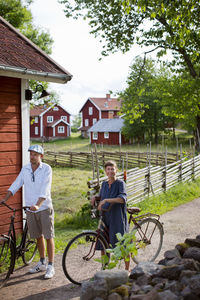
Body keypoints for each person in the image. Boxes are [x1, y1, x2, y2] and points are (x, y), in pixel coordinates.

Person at [0, 145, 55, 279]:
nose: (32, 156)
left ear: (41, 156)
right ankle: (41, 262)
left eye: (35, 154)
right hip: (30, 209)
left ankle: (50, 265)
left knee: (48, 236)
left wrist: (38, 204)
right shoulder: (25, 169)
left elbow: (45, 188)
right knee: (37, 236)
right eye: (31, 154)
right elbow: (16, 183)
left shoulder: (46, 169)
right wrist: (4, 199)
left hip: (44, 208)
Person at [91, 160, 130, 271]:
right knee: (103, 243)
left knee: (122, 244)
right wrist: (96, 198)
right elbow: (103, 196)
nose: (110, 171)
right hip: (106, 218)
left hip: (117, 218)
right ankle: (104, 267)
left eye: (112, 169)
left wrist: (106, 200)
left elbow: (122, 199)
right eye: (108, 169)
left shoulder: (120, 183)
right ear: (105, 171)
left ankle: (127, 270)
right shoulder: (104, 184)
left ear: (116, 170)